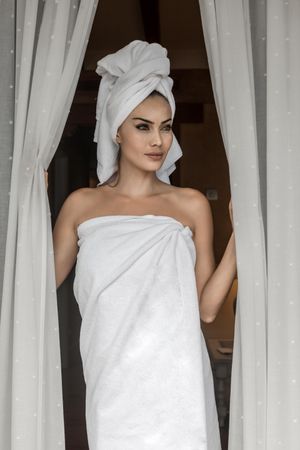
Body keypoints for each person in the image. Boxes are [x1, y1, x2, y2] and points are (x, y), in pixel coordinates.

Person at [49, 40, 236, 449]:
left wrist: (239, 242)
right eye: (143, 125)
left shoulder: (190, 204)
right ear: (117, 129)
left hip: (177, 378)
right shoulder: (82, 205)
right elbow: (37, 285)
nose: (158, 140)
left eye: (165, 126)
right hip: (112, 376)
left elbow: (206, 310)